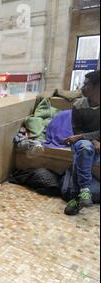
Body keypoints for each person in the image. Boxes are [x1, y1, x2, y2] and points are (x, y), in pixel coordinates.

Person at [63, 70, 100, 215]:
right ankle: (85, 189)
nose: (82, 88)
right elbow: (76, 131)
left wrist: (84, 138)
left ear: (98, 87)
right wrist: (91, 139)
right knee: (85, 149)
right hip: (83, 144)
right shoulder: (78, 105)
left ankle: (74, 197)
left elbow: (78, 136)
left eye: (86, 85)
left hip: (88, 144)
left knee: (82, 156)